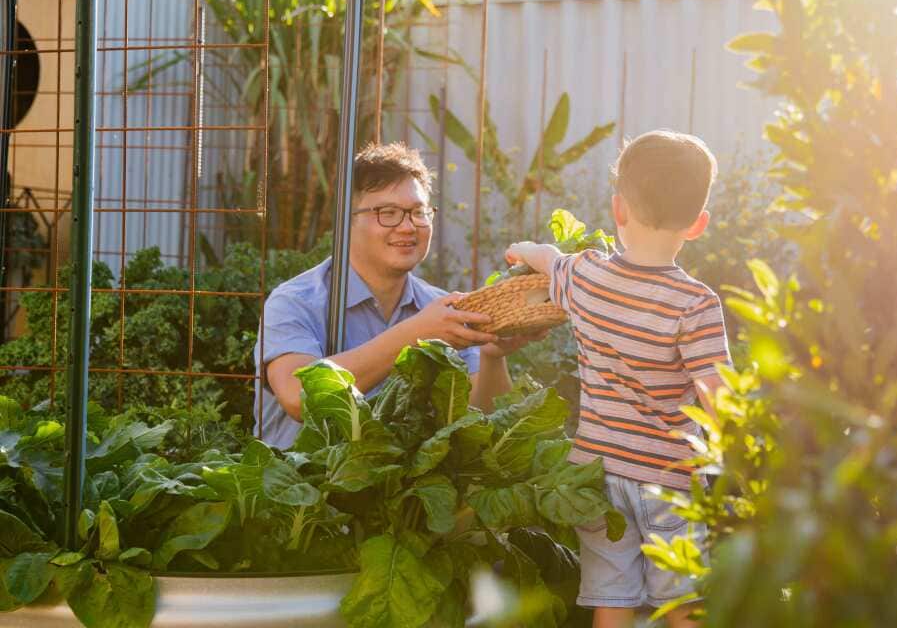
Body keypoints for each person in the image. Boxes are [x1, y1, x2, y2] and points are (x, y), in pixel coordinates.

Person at [504, 130, 730, 628]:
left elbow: (547, 258)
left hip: (597, 475)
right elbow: (719, 396)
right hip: (668, 477)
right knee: (683, 601)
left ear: (618, 210)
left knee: (612, 597)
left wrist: (522, 248)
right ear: (698, 224)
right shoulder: (695, 304)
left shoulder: (584, 275)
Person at [253, 141, 531, 448]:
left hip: (404, 492)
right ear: (347, 220)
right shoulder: (295, 302)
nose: (408, 226)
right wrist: (414, 335)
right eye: (388, 212)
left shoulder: (437, 309)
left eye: (419, 212)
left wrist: (492, 355)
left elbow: (484, 417)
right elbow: (298, 397)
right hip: (304, 488)